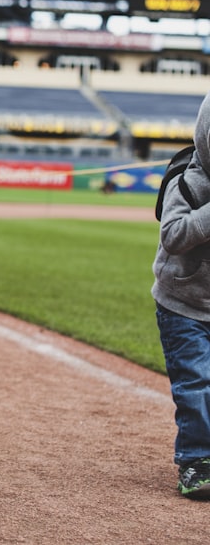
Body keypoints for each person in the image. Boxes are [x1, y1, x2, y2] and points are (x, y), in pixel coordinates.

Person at [152, 91, 210, 500]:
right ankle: (197, 461)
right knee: (196, 382)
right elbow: (173, 235)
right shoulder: (186, 180)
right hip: (183, 305)